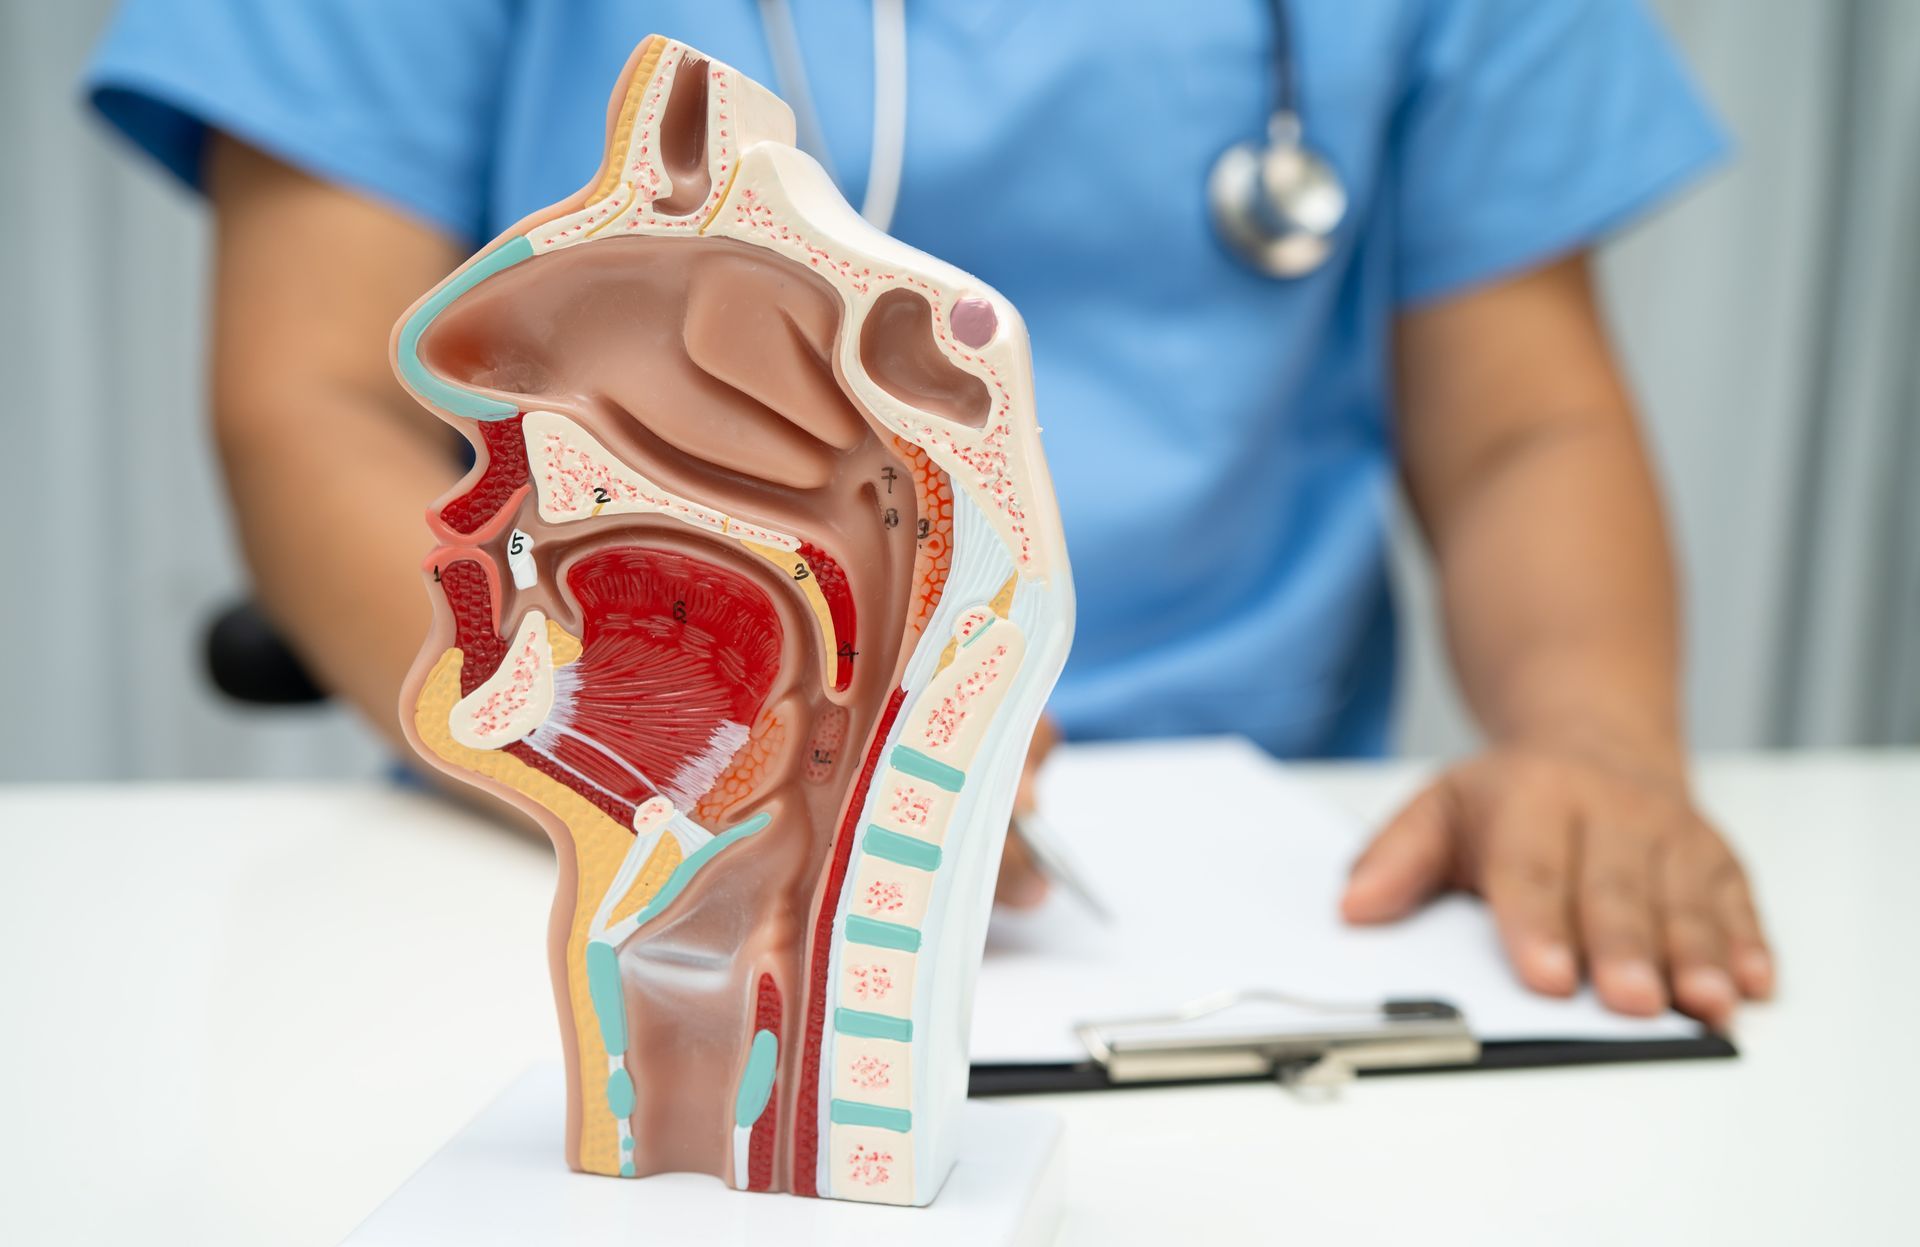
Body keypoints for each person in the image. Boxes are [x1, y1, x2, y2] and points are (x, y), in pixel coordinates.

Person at [86, 0, 1773, 1029]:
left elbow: (1525, 430)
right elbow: (316, 399)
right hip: (612, 820)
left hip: (1228, 865)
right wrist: (672, 753)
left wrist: (1599, 749)